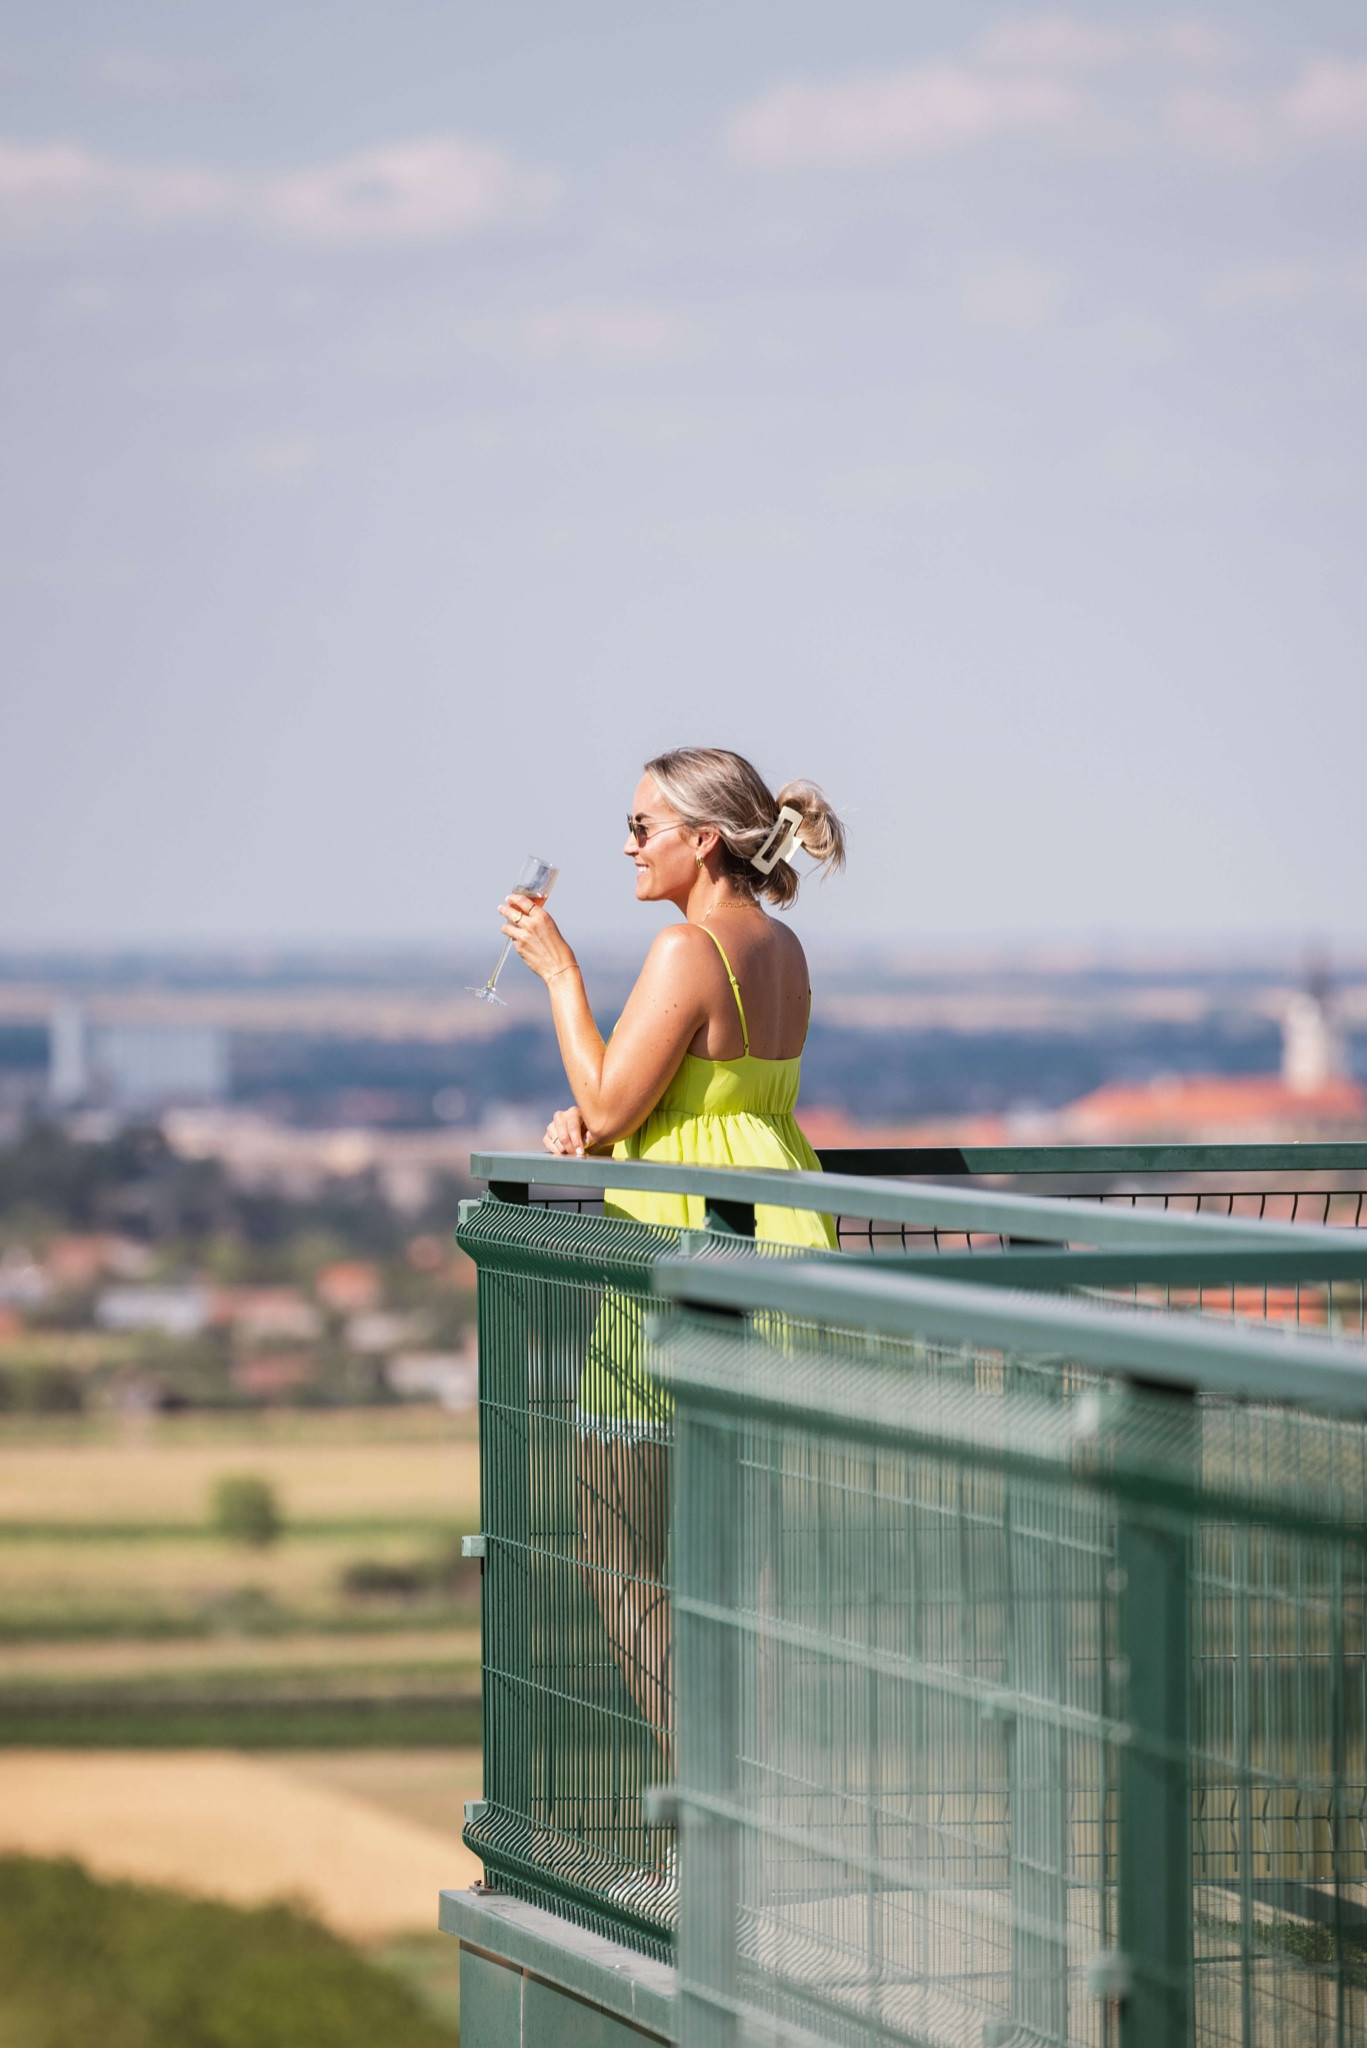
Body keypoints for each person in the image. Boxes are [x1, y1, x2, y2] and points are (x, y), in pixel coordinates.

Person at [495, 747, 846, 1785]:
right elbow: (694, 1107)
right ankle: (762, 1807)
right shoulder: (779, 947)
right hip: (778, 1241)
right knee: (754, 1563)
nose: (626, 845)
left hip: (678, 1259)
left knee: (616, 1542)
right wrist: (601, 1130)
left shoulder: (682, 948)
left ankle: (708, 1808)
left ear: (701, 839)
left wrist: (558, 975)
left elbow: (612, 1106)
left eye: (642, 826)